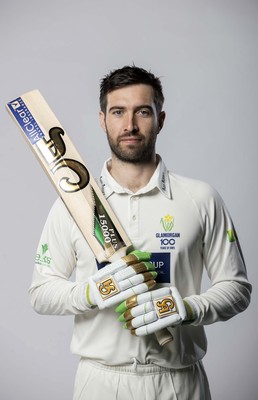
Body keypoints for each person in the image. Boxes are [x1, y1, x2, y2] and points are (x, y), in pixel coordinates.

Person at [29, 65, 251, 400]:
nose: (130, 125)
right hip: (100, 382)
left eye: (142, 112)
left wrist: (187, 309)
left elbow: (237, 289)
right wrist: (93, 292)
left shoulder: (201, 198)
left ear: (160, 119)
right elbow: (40, 294)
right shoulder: (71, 204)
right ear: (103, 119)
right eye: (118, 112)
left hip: (179, 382)